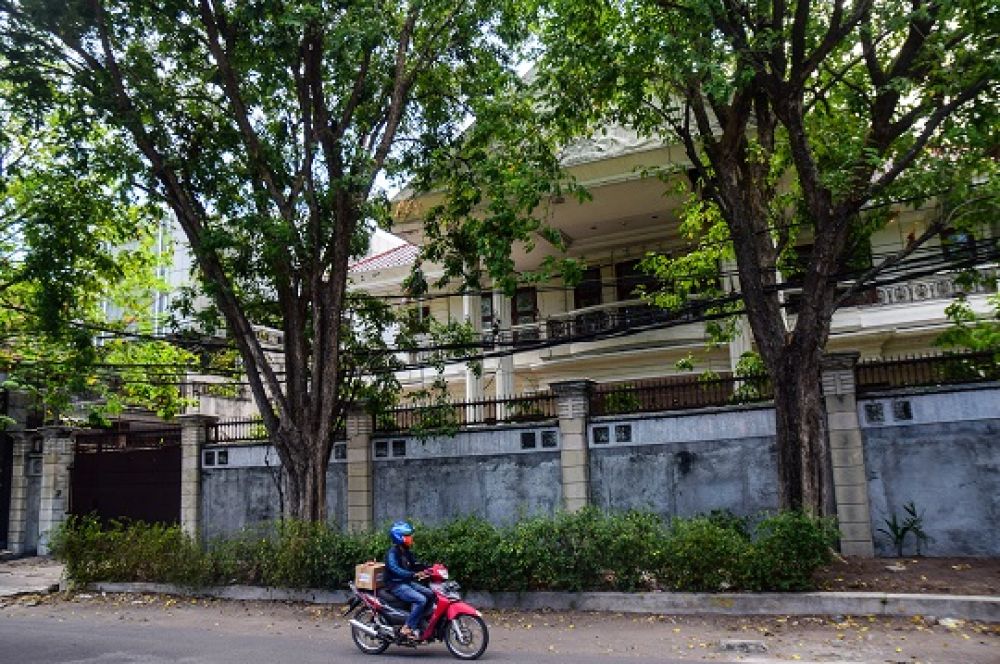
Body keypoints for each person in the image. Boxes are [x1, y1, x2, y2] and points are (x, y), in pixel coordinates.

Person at [384, 520, 435, 640]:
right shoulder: (392, 553)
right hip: (396, 584)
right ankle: (407, 627)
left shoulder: (405, 551)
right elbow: (395, 569)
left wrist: (430, 568)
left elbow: (415, 564)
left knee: (431, 594)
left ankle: (419, 620)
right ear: (399, 537)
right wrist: (413, 574)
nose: (410, 538)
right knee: (421, 600)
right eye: (407, 536)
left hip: (406, 582)